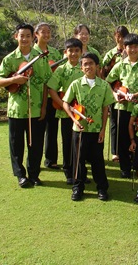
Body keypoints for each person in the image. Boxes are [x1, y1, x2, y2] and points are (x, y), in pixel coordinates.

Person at [0, 23, 51, 188]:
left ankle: (34, 174)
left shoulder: (40, 57)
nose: (25, 39)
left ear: (33, 36)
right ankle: (20, 175)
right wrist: (14, 80)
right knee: (16, 144)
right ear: (16, 37)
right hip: (17, 109)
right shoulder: (10, 59)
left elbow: (47, 82)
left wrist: (43, 107)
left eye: (28, 36)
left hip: (36, 108)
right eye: (22, 36)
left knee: (36, 144)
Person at [62, 52, 116, 201]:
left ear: (97, 66)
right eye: (85, 64)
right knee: (78, 160)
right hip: (79, 130)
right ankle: (77, 188)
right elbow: (65, 103)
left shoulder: (104, 85)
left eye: (91, 63)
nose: (88, 66)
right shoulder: (76, 84)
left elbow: (106, 109)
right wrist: (74, 119)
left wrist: (103, 130)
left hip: (96, 129)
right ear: (81, 67)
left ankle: (102, 188)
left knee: (97, 160)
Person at [106, 33, 138, 179]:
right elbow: (108, 82)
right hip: (123, 108)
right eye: (129, 47)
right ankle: (125, 167)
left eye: (136, 47)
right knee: (123, 139)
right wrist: (115, 94)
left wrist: (135, 95)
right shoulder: (120, 65)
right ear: (124, 48)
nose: (133, 50)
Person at [47, 38, 84, 184]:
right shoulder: (61, 69)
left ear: (81, 52)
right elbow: (52, 89)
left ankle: (80, 171)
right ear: (65, 52)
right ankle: (69, 171)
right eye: (71, 51)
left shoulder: (85, 67)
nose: (74, 54)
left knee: (81, 143)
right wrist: (63, 104)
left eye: (77, 51)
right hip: (66, 113)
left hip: (84, 112)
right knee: (68, 142)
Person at [33, 22, 63, 170]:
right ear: (36, 34)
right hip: (36, 97)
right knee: (37, 131)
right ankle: (35, 163)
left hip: (53, 96)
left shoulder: (55, 53)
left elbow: (60, 72)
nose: (46, 34)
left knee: (52, 129)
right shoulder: (32, 53)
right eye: (43, 32)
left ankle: (51, 160)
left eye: (48, 32)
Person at [101, 25, 129, 163]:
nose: (120, 38)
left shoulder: (130, 50)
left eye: (123, 36)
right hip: (112, 89)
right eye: (118, 35)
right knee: (113, 122)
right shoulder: (110, 53)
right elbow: (103, 70)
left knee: (125, 122)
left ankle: (127, 149)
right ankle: (114, 151)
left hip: (126, 90)